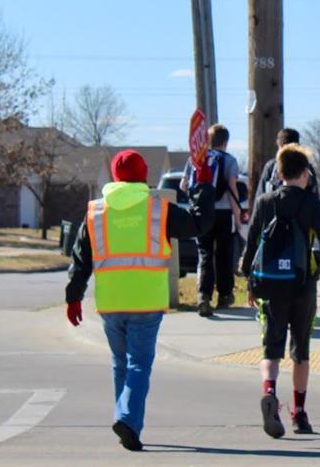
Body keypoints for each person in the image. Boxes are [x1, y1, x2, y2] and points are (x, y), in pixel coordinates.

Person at [66, 149, 214, 451]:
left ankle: (127, 424)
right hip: (146, 301)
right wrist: (204, 186)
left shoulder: (95, 211)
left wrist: (73, 298)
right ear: (144, 175)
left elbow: (80, 260)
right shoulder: (158, 209)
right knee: (138, 365)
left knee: (121, 363)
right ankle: (128, 419)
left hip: (110, 303)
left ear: (114, 176)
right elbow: (199, 225)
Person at [241, 143, 320, 438]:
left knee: (271, 349)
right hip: (304, 287)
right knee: (301, 351)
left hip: (270, 286)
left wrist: (249, 282)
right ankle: (299, 414)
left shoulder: (265, 202)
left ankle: (269, 392)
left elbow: (252, 243)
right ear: (305, 173)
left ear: (279, 174)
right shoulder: (311, 204)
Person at [185, 124, 241, 317]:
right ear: (226, 142)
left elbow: (185, 185)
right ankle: (225, 296)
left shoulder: (196, 159)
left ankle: (203, 296)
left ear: (207, 141)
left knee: (205, 254)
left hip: (202, 213)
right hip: (224, 213)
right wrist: (238, 218)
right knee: (224, 255)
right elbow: (233, 189)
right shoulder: (230, 161)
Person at [255, 128, 320, 200]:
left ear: (280, 145)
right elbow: (315, 196)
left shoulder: (272, 167)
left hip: (276, 209)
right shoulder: (306, 167)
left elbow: (260, 195)